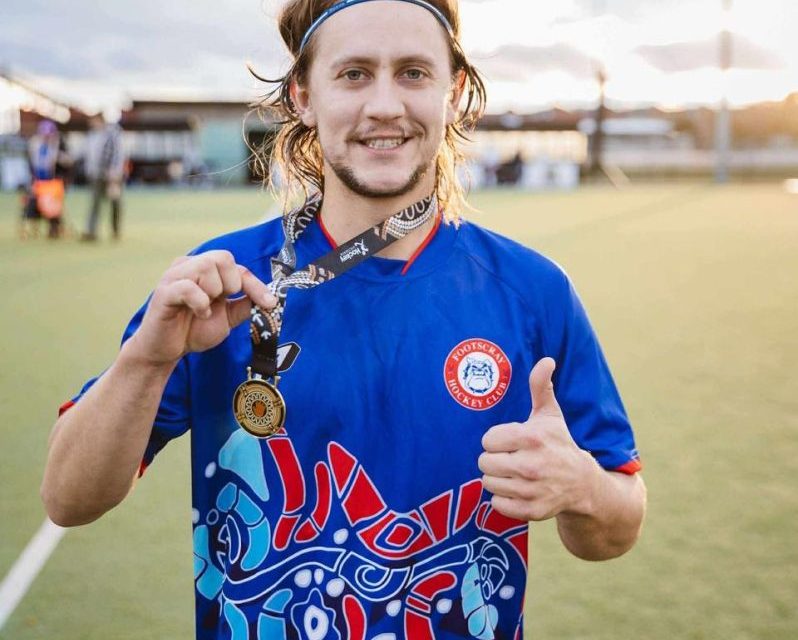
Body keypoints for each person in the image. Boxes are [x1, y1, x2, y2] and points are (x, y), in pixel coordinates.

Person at [42, 1, 646, 638]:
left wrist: (581, 486)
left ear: (455, 92)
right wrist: (148, 358)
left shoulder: (533, 292)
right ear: (304, 95)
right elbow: (68, 499)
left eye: (413, 73)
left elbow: (619, 524)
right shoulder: (219, 285)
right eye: (354, 74)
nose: (384, 104)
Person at [21, 119, 71, 239]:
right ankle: (33, 230)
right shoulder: (34, 145)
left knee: (53, 209)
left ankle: (54, 229)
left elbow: (68, 162)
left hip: (53, 182)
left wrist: (58, 159)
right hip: (38, 182)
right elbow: (31, 164)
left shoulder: (59, 145)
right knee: (33, 206)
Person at [81, 111, 126, 241]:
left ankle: (115, 230)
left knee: (115, 202)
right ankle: (91, 231)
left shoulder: (112, 134)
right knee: (95, 203)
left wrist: (115, 172)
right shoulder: (92, 136)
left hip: (111, 174)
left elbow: (117, 154)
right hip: (96, 174)